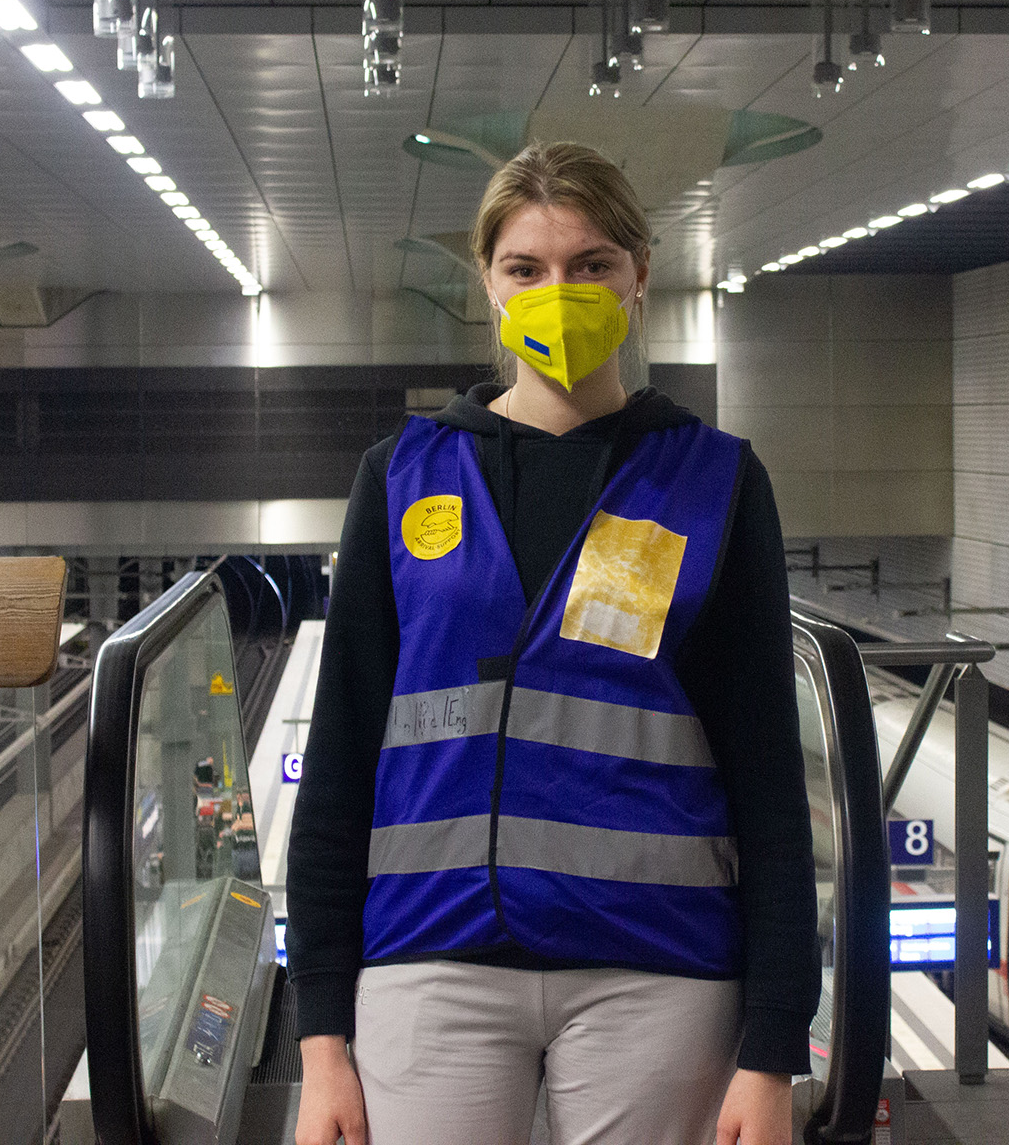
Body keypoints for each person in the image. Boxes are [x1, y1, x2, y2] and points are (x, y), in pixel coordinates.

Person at [286, 141, 819, 1145]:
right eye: (526, 268)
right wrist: (321, 1038)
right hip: (429, 959)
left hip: (656, 969)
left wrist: (773, 1047)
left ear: (639, 274)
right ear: (487, 283)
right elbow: (343, 755)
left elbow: (766, 777)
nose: (557, 290)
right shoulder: (400, 478)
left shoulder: (713, 483)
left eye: (590, 265)